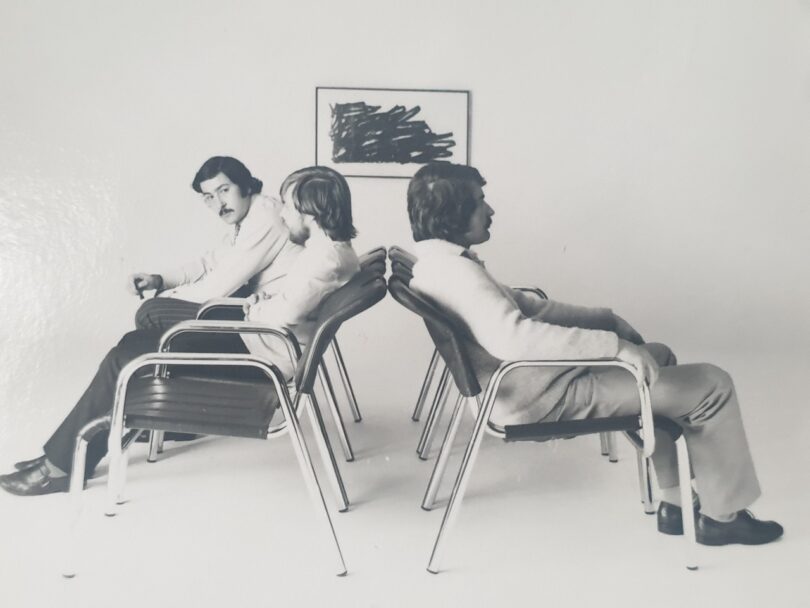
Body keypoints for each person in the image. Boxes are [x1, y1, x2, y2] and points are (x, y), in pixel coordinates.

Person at [406, 162, 783, 547]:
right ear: (451, 215)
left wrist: (607, 321)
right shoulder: (459, 274)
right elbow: (516, 337)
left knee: (658, 354)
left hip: (528, 388)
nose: (490, 210)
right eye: (479, 202)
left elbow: (528, 307)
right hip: (541, 398)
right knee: (713, 384)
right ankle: (723, 519)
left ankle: (674, 503)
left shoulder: (439, 264)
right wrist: (616, 347)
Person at [0, 166, 359, 496]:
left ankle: (62, 465)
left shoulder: (323, 259)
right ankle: (71, 457)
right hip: (259, 342)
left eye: (289, 207)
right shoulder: (327, 252)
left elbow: (282, 313)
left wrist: (256, 304)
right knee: (131, 347)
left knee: (126, 357)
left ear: (311, 211)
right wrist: (262, 302)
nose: (282, 213)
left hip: (262, 356)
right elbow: (279, 303)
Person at [130, 155, 301, 332]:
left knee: (150, 313)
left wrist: (167, 296)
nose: (219, 203)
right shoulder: (245, 219)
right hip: (254, 312)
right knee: (134, 340)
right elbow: (208, 263)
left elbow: (216, 288)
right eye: (209, 196)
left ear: (246, 186)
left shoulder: (265, 217)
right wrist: (159, 281)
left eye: (224, 190)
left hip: (268, 328)